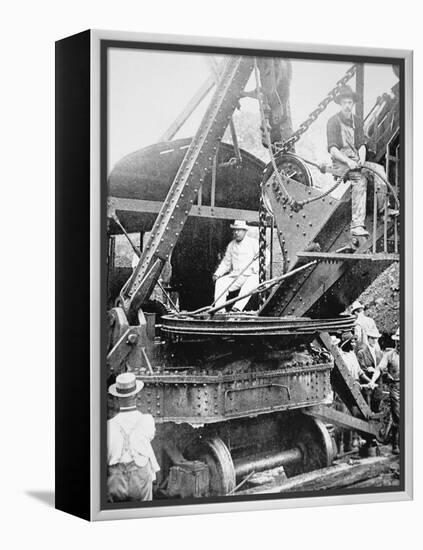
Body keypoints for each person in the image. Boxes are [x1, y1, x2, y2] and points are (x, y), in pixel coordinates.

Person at [326, 85, 392, 237]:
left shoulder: (357, 121)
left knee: (379, 170)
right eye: (344, 103)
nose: (347, 106)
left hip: (356, 161)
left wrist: (361, 160)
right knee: (360, 179)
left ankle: (384, 211)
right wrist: (349, 163)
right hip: (341, 163)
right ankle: (356, 225)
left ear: (353, 104)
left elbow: (361, 144)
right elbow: (333, 150)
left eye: (350, 103)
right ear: (340, 104)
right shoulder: (333, 122)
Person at [107, 372, 160, 502]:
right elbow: (150, 436)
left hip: (116, 479)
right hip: (140, 476)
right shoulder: (147, 420)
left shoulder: (108, 425)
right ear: (136, 395)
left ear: (117, 398)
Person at [213, 220, 260, 312]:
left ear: (245, 231)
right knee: (220, 282)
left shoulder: (253, 243)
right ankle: (219, 310)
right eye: (235, 230)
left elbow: (266, 255)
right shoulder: (231, 245)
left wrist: (255, 267)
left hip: (249, 275)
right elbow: (226, 263)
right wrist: (217, 274)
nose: (236, 233)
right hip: (236, 276)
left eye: (239, 230)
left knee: (253, 281)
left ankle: (237, 308)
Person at [370, 328, 400, 454]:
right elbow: (379, 369)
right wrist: (372, 380)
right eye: (397, 341)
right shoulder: (389, 355)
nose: (398, 344)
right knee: (398, 415)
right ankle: (396, 444)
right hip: (396, 388)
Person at [356, 327, 383, 411]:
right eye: (372, 338)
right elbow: (361, 369)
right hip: (367, 382)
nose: (374, 341)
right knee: (366, 405)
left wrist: (375, 370)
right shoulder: (362, 352)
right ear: (368, 339)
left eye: (376, 339)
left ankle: (375, 419)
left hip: (378, 382)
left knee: (377, 401)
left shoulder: (379, 353)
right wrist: (368, 369)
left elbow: (382, 368)